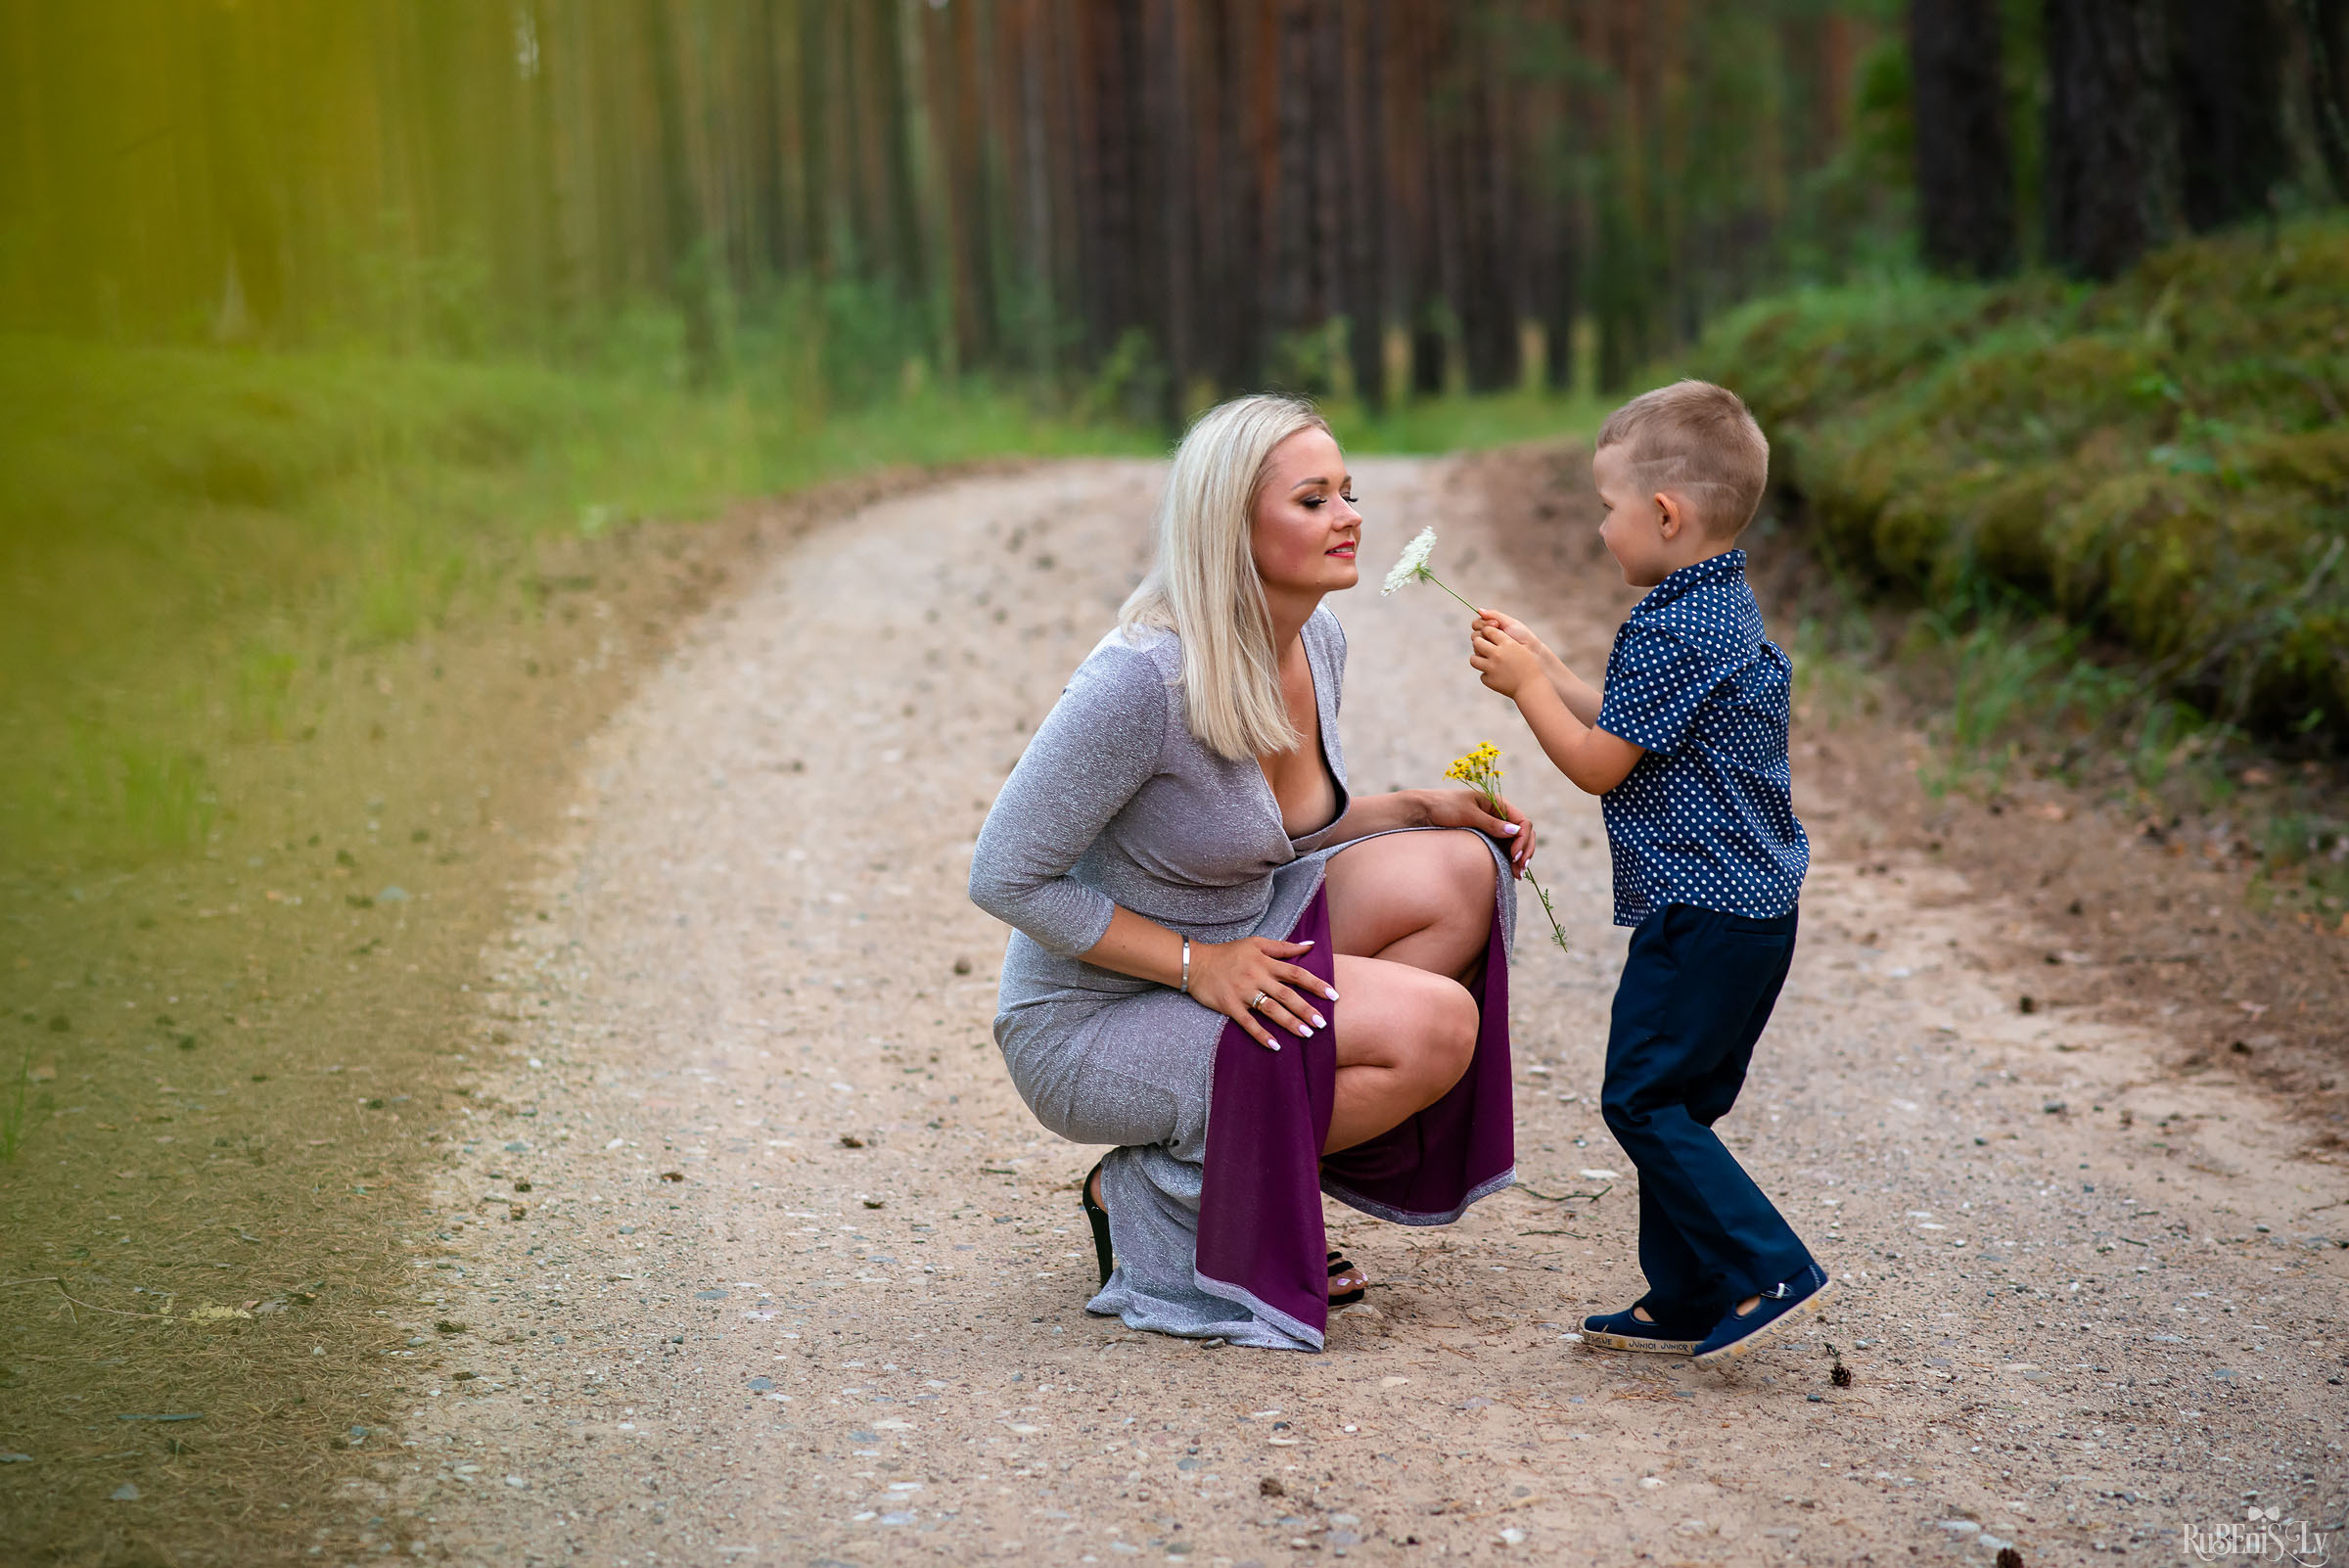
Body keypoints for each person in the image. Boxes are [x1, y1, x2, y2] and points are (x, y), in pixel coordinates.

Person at [968, 393, 1530, 1351]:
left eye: (1347, 493)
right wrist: (1200, 966)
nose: (1351, 516)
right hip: (1095, 1017)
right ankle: (1153, 1194)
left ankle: (1250, 1177)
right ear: (1231, 522)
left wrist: (1412, 807)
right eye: (1314, 500)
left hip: (1240, 931)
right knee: (1436, 1030)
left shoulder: (1317, 638)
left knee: (1463, 873)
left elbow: (1266, 831)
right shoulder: (1142, 678)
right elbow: (1004, 877)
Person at [1466, 379, 1826, 1367]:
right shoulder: (1716, 605)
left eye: (1606, 507)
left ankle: (1766, 1267)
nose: (1600, 527)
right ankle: (1685, 1296)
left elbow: (1597, 764)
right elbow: (1635, 722)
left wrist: (1528, 690)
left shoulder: (1669, 628)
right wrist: (1550, 668)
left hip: (1702, 913)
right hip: (1752, 912)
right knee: (1679, 1104)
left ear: (1664, 514)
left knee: (1641, 1098)